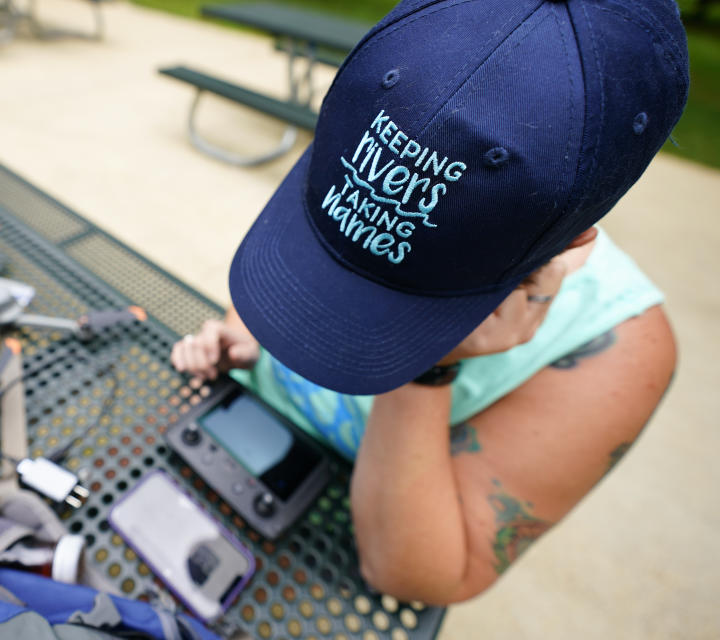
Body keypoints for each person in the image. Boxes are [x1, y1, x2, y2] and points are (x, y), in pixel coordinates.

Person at [171, 0, 689, 605]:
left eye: (415, 298)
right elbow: (299, 262)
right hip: (228, 437)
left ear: (571, 245)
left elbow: (412, 573)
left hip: (334, 545)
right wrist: (255, 330)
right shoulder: (391, 114)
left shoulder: (623, 349)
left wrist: (433, 365)